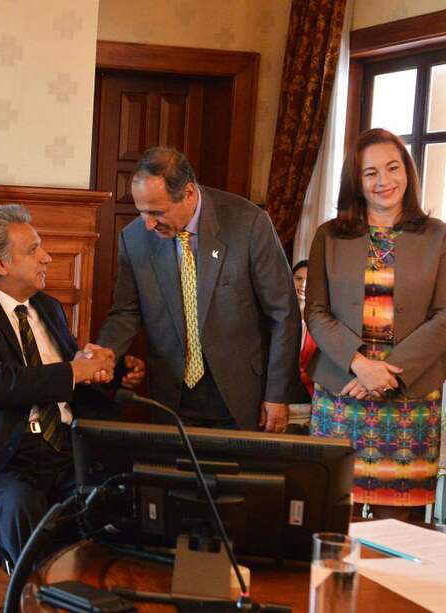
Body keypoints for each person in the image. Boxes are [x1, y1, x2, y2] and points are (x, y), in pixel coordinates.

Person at [0, 204, 115, 561]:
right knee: (20, 504)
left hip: (64, 447)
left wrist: (104, 370)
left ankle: (88, 593)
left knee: (112, 493)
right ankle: (30, 596)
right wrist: (75, 371)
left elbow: (68, 375)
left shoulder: (47, 307)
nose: (46, 258)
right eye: (33, 250)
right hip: (3, 456)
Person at [96, 147, 300, 432]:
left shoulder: (248, 223)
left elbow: (284, 314)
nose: (148, 223)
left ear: (189, 193)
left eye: (157, 212)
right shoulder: (135, 239)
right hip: (172, 395)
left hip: (243, 393)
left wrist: (278, 394)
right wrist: (102, 356)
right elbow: (125, 313)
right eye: (141, 212)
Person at [306, 127, 445, 520]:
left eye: (392, 168)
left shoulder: (438, 236)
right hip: (343, 391)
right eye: (371, 173)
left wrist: (389, 374)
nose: (384, 181)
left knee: (400, 524)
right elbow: (315, 310)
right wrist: (361, 365)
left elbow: (445, 315)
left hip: (410, 397)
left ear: (407, 172)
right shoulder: (329, 236)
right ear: (357, 182)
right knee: (333, 516)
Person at [292, 260, 317, 397]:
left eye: (309, 280)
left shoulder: (321, 324)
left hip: (308, 393)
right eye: (298, 279)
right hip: (275, 392)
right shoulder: (274, 317)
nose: (303, 285)